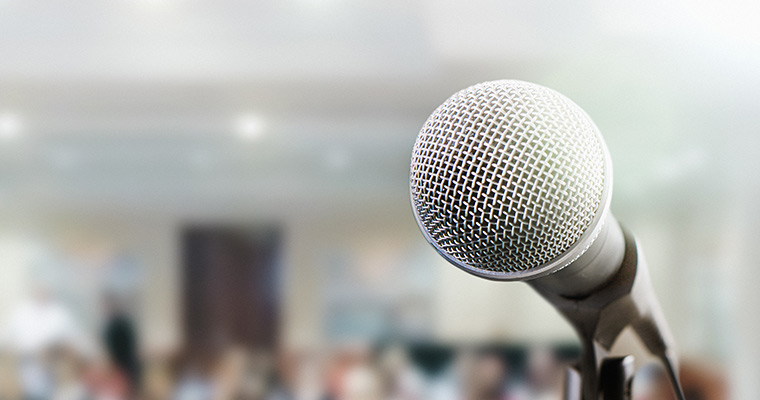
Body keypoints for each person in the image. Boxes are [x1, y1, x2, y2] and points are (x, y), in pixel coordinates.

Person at [102, 294, 141, 397]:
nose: (107, 308)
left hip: (126, 363)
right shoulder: (111, 325)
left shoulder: (122, 323)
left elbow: (130, 344)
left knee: (129, 392)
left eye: (108, 304)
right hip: (120, 364)